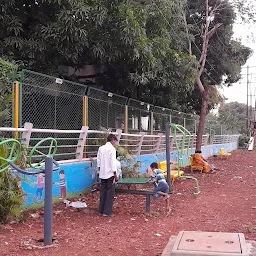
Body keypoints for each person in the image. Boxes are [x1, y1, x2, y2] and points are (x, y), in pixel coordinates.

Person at [97, 134, 118, 217]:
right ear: (112, 140)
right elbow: (113, 163)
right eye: (115, 141)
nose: (115, 143)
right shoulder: (112, 149)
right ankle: (107, 212)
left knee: (103, 192)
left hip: (102, 173)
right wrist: (115, 174)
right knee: (109, 193)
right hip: (110, 174)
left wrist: (100, 170)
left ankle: (101, 210)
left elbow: (98, 161)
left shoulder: (101, 148)